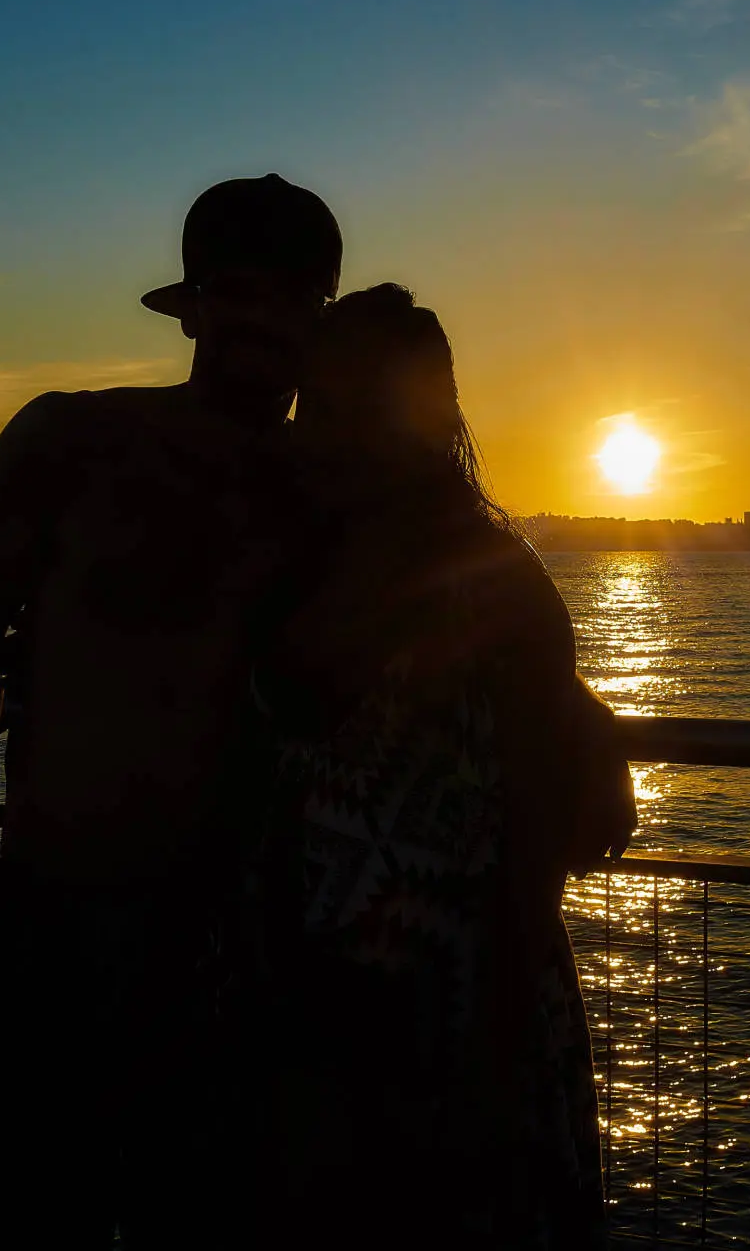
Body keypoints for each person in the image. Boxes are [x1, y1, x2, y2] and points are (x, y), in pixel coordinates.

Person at [0, 174, 341, 1248]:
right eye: (232, 291)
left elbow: (459, 612)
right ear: (189, 306)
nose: (253, 318)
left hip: (234, 967)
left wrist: (568, 704)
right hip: (46, 928)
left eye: (284, 298)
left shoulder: (327, 494)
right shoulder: (69, 443)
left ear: (316, 322)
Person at [226, 284, 635, 1249]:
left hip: (456, 1019)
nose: (312, 431)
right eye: (313, 404)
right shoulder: (301, 559)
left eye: (342, 406)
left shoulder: (490, 584)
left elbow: (531, 860)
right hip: (313, 1012)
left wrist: (486, 1064)